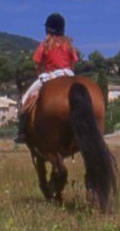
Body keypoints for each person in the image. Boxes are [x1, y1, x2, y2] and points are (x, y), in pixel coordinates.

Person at [13, 13, 78, 144]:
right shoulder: (69, 45)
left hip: (49, 76)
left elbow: (36, 64)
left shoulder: (44, 44)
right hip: (68, 74)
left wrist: (39, 74)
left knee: (25, 100)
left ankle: (22, 132)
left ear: (48, 29)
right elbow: (73, 63)